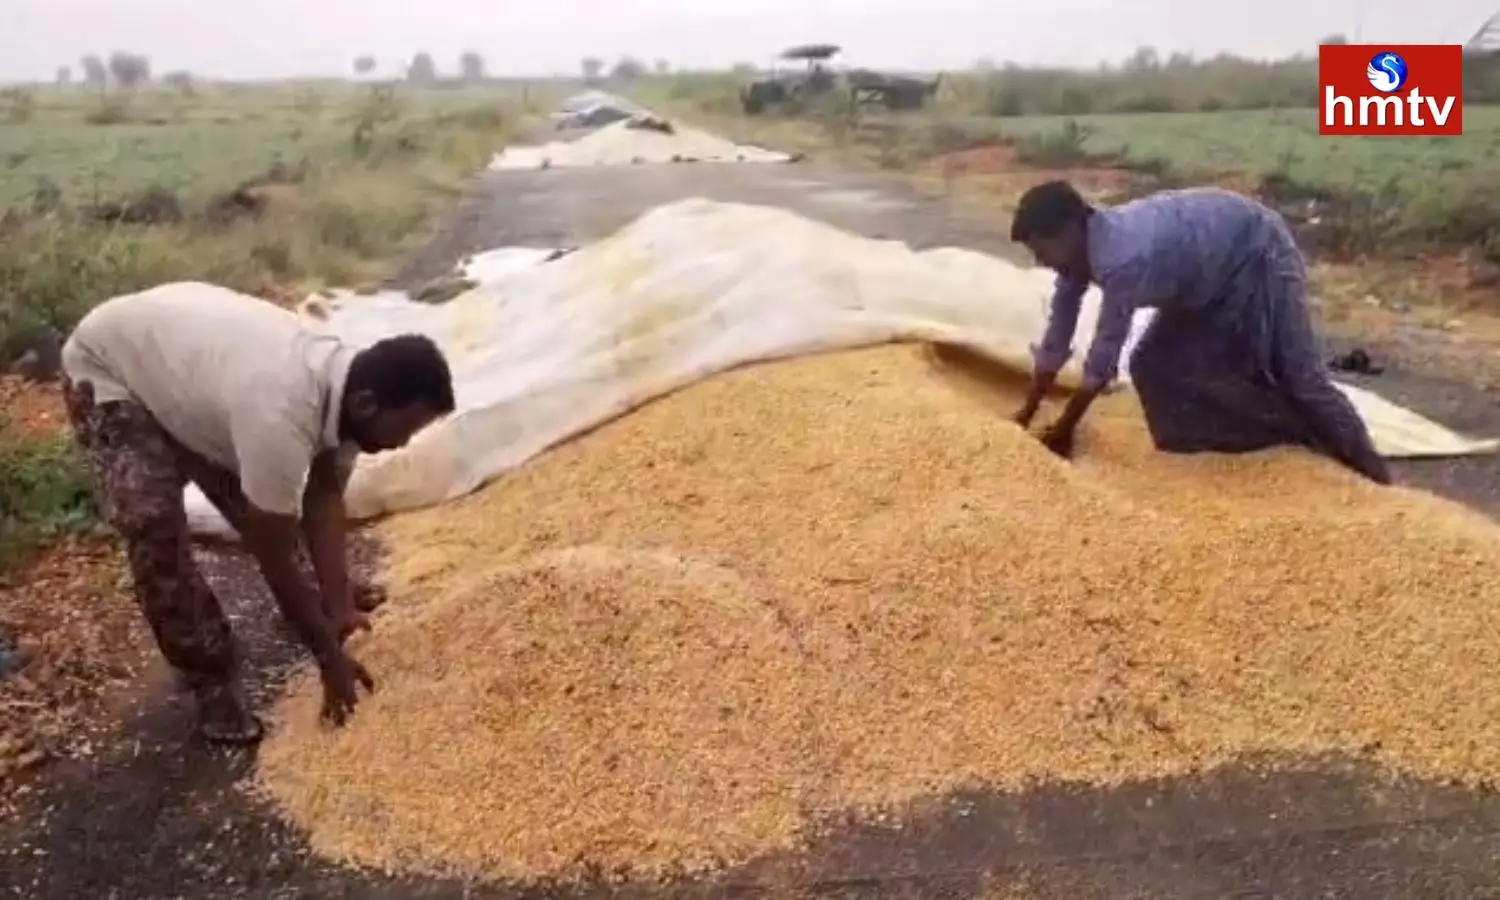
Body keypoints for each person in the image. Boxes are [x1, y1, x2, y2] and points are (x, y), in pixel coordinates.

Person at [61, 282, 456, 744]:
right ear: (368, 404)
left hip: (187, 369)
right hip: (111, 368)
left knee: (268, 503)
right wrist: (329, 659)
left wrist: (340, 603)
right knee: (156, 529)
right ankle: (210, 682)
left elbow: (325, 494)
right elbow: (271, 553)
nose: (403, 444)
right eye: (405, 430)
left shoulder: (346, 384)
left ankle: (309, 609)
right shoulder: (281, 412)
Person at [1008, 180, 1390, 484]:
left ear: (1072, 229)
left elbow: (1103, 357)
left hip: (1256, 251)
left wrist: (1063, 431)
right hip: (1200, 283)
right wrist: (1025, 414)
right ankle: (1268, 444)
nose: (1040, 261)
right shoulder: (1075, 260)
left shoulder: (1123, 257)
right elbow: (1058, 334)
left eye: (1043, 249)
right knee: (1152, 365)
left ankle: (1373, 477)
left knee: (1298, 375)